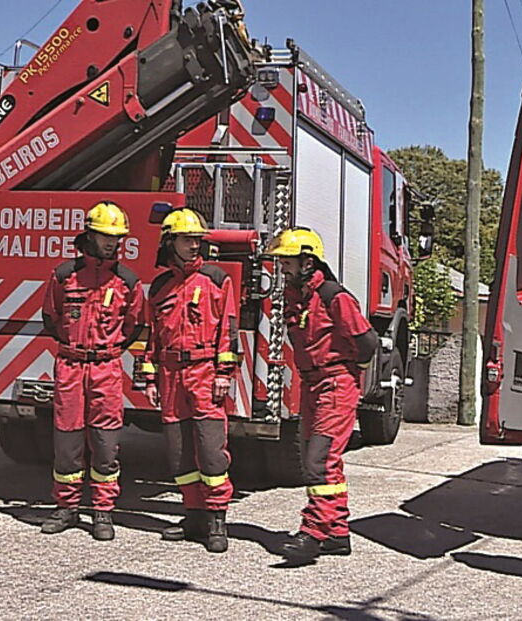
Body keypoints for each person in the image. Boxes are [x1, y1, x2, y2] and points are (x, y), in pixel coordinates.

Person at [265, 227, 377, 565]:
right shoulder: (297, 295)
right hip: (313, 386)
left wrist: (345, 372)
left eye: (287, 262)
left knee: (319, 462)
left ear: (307, 262)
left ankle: (313, 533)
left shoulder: (334, 296)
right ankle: (337, 532)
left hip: (336, 386)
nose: (282, 269)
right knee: (324, 462)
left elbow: (368, 343)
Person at [40, 201, 145, 541]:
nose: (113, 243)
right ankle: (67, 508)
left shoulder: (128, 281)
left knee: (105, 442)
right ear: (90, 235)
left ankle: (102, 511)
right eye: (106, 237)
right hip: (70, 364)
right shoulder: (64, 275)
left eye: (117, 238)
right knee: (67, 441)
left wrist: (107, 350)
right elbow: (50, 318)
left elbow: (134, 325)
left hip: (106, 366)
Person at [142, 208, 239, 553]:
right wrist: (149, 378)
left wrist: (224, 373)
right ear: (170, 242)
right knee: (180, 452)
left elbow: (227, 329)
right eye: (187, 240)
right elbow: (151, 335)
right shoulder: (160, 286)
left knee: (211, 452)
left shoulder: (215, 279)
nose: (194, 245)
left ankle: (216, 520)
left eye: (198, 239)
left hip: (204, 374)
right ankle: (194, 515)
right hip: (169, 377)